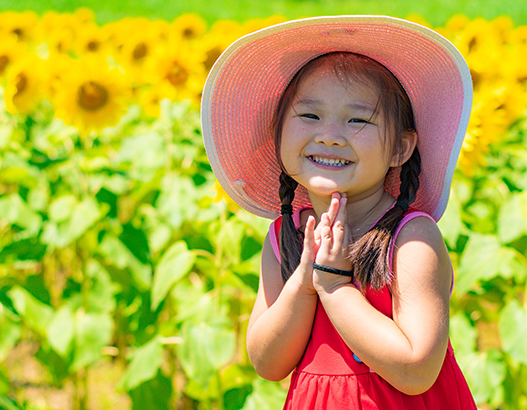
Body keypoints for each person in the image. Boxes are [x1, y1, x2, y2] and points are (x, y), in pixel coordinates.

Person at [201, 15, 476, 409]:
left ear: (401, 147)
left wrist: (334, 287)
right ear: (277, 133)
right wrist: (304, 283)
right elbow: (267, 361)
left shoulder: (411, 240)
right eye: (310, 115)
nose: (329, 134)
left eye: (358, 119)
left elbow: (417, 370)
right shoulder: (287, 237)